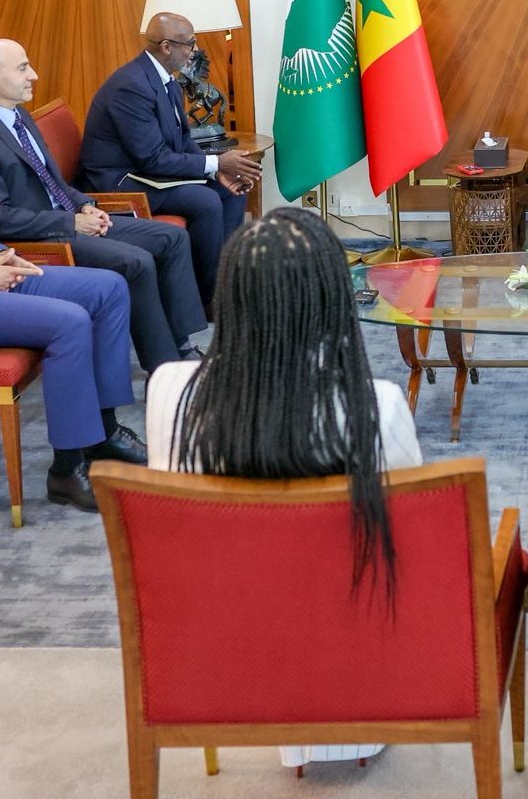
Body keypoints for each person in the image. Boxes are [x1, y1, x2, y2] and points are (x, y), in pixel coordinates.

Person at [146, 205, 420, 773]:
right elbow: (410, 539)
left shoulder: (168, 391)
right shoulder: (374, 404)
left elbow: (174, 532)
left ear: (231, 294)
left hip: (223, 633)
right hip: (350, 628)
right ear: (331, 297)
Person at [0, 39, 208, 374]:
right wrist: (71, 224)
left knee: (171, 239)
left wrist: (85, 206)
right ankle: (163, 367)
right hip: (39, 238)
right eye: (23, 67)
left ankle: (180, 342)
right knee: (136, 261)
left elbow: (52, 181)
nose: (34, 75)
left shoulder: (19, 117)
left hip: (68, 219)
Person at [0, 200, 144, 513]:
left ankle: (103, 434)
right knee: (70, 323)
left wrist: (1, 254)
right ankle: (66, 470)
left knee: (109, 287)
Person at [79, 14, 262, 304]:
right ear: (166, 46)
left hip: (148, 170)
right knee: (205, 201)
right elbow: (153, 159)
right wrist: (216, 163)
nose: (195, 50)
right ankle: (207, 300)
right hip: (120, 181)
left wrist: (217, 173)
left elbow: (182, 141)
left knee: (231, 190)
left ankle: (225, 284)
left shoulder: (167, 82)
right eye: (190, 44)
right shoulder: (131, 87)